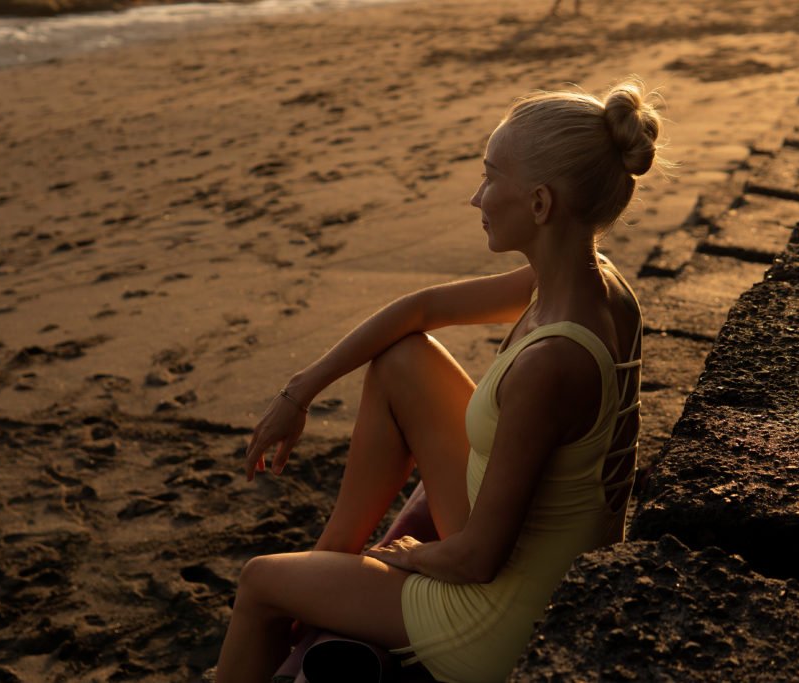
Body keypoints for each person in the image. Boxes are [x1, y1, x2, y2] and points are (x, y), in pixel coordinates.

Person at [214, 78, 664, 683]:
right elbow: (420, 311)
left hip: (504, 615)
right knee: (402, 359)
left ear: (539, 204)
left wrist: (402, 557)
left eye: (489, 176)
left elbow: (477, 559)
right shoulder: (590, 281)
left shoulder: (553, 362)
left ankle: (316, 586)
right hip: (539, 553)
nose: (476, 197)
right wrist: (302, 389)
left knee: (260, 582)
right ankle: (330, 560)